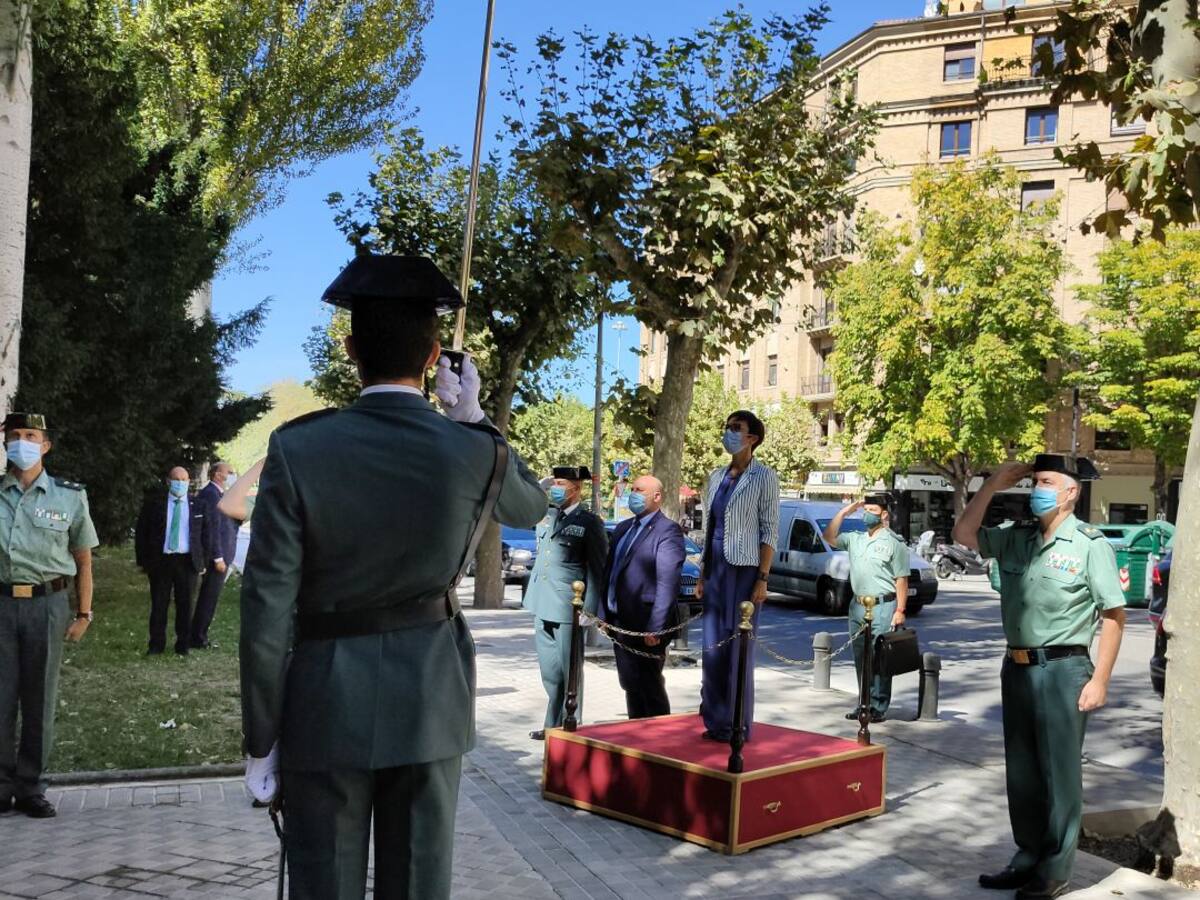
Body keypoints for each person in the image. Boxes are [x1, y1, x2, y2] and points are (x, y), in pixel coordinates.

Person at [239, 254, 546, 900]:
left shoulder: (299, 448)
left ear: (351, 349)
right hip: (430, 702)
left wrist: (260, 740)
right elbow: (530, 506)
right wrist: (473, 420)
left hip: (325, 706)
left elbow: (265, 613)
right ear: (436, 357)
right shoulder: (473, 452)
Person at [953, 455, 1126, 900]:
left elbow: (1112, 615)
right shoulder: (1017, 539)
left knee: (1059, 774)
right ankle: (1027, 857)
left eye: (1047, 481)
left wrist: (1100, 680)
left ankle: (1055, 868)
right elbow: (964, 534)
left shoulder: (1089, 544)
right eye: (1033, 482)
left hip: (1064, 669)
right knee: (1024, 772)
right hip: (1018, 666)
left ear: (1072, 492)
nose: (1036, 489)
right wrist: (992, 483)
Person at [0, 412, 98, 818]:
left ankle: (31, 787)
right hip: (2, 605)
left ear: (45, 445)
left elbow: (84, 559)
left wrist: (84, 613)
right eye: (15, 435)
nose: (22, 442)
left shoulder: (68, 496)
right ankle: (1, 785)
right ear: (4, 442)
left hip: (48, 605)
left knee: (40, 696)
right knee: (1, 698)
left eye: (31, 435)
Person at [696, 410, 779, 742]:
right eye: (727, 427)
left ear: (752, 438)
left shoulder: (764, 476)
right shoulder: (717, 476)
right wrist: (702, 573)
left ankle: (738, 723)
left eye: (736, 428)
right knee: (712, 646)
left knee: (739, 647)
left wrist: (763, 577)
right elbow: (709, 526)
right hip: (716, 566)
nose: (729, 433)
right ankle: (715, 720)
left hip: (745, 570)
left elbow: (770, 529)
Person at [522, 465, 607, 740]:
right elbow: (525, 509)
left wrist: (590, 609)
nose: (556, 488)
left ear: (576, 488)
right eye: (554, 483)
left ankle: (570, 723)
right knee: (550, 671)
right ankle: (552, 724)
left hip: (567, 606)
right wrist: (538, 486)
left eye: (560, 483)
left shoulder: (589, 522)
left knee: (570, 670)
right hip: (541, 601)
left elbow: (597, 567)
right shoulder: (548, 515)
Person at [598, 475, 685, 719]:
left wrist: (655, 628)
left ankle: (659, 741)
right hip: (619, 622)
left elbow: (667, 583)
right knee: (629, 684)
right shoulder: (624, 528)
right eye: (632, 489)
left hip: (646, 625)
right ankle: (635, 732)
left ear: (657, 497)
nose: (633, 494)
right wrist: (603, 613)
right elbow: (610, 572)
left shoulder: (667, 530)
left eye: (640, 490)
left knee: (649, 686)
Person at [822, 493, 909, 723]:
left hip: (883, 605)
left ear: (884, 514)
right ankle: (863, 703)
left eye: (872, 511)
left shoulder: (894, 543)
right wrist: (845, 511)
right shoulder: (855, 539)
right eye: (865, 511)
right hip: (858, 606)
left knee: (880, 657)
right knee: (861, 657)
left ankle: (878, 705)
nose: (867, 515)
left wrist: (900, 610)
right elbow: (829, 536)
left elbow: (902, 579)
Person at [135, 466, 213, 656]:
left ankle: (183, 644)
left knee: (186, 604)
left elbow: (206, 535)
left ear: (189, 482)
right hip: (161, 560)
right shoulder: (155, 505)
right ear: (168, 481)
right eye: (176, 479)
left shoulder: (198, 506)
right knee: (159, 603)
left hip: (187, 561)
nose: (180, 483)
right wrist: (143, 561)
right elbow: (142, 533)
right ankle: (156, 644)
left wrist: (203, 561)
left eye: (184, 480)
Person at [189, 461, 239, 649]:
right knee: (208, 597)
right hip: (216, 556)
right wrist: (218, 557)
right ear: (218, 474)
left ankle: (199, 634)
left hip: (223, 553)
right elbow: (211, 528)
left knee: (211, 597)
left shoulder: (219, 494)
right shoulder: (211, 494)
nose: (232, 475)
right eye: (230, 472)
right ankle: (198, 637)